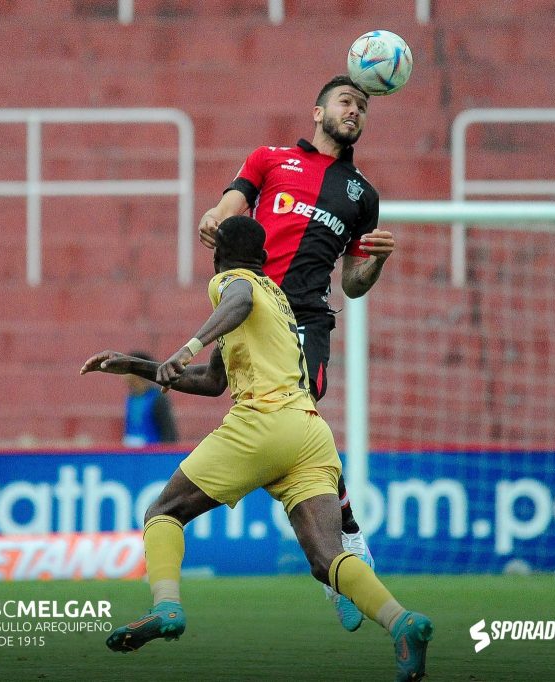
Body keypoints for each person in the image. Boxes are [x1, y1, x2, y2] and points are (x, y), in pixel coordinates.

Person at [79, 216, 432, 681]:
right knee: (326, 558)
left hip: (260, 423)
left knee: (162, 512)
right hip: (308, 432)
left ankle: (167, 607)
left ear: (216, 257)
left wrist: (185, 347)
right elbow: (211, 381)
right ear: (264, 257)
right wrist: (136, 366)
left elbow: (236, 299)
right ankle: (401, 621)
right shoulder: (279, 301)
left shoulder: (234, 283)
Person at [197, 74, 393, 631]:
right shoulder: (269, 159)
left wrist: (374, 261)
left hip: (305, 319)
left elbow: (353, 283)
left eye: (362, 107)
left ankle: (344, 551)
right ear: (318, 111)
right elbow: (231, 204)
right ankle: (341, 548)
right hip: (251, 308)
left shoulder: (362, 196)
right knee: (283, 437)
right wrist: (217, 215)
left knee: (298, 422)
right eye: (346, 102)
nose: (354, 111)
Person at [121, 351, 179, 447]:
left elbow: (169, 433)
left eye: (126, 369)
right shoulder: (131, 398)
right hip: (132, 454)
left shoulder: (158, 398)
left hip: (152, 453)